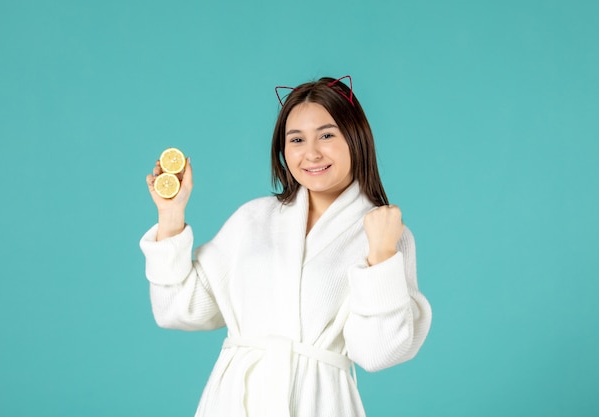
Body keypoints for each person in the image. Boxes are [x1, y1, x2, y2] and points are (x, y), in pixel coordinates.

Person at [140, 76, 432, 417]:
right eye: (296, 139)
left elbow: (377, 352)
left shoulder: (386, 234)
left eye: (326, 134)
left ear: (356, 138)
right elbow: (177, 308)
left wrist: (381, 258)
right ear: (283, 150)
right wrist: (171, 215)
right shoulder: (253, 219)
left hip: (319, 403)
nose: (311, 153)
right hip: (235, 401)